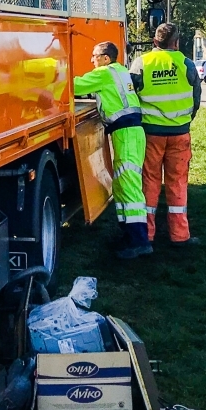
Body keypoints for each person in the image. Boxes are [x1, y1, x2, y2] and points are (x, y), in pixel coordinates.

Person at [73, 40, 150, 258]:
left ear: (106, 58)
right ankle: (130, 237)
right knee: (124, 184)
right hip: (130, 133)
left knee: (129, 186)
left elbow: (75, 85)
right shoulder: (120, 71)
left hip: (126, 134)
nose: (92, 60)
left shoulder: (105, 73)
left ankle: (139, 241)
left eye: (94, 56)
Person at [130, 22, 201, 248]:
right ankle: (179, 235)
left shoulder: (142, 63)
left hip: (150, 133)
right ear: (176, 43)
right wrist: (185, 120)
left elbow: (131, 96)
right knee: (177, 182)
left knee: (149, 182)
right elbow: (196, 99)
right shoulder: (186, 64)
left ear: (155, 42)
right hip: (180, 133)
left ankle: (148, 234)